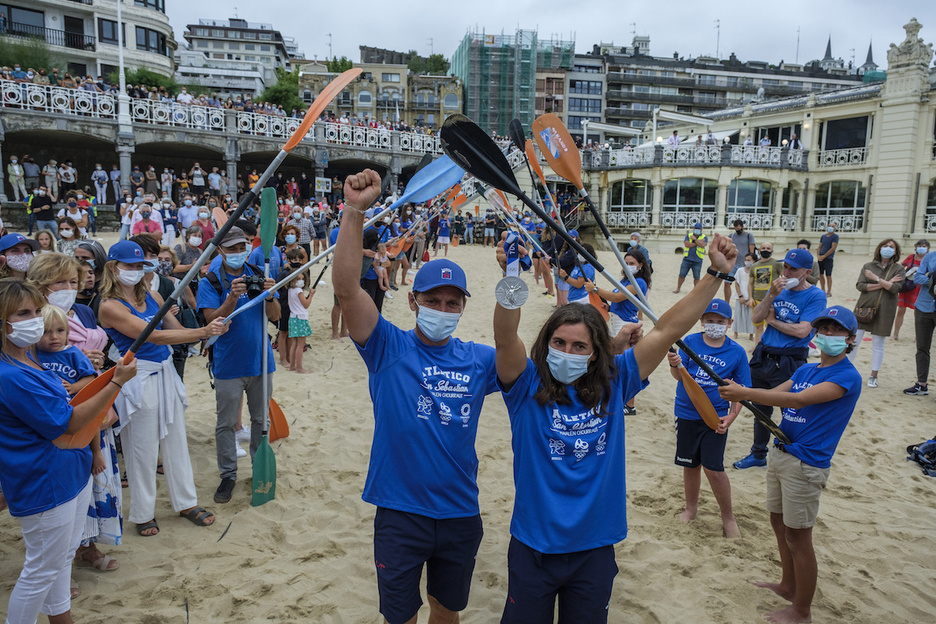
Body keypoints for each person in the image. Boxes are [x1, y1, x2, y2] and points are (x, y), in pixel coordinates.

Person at [492, 231, 739, 623]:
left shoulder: (615, 380)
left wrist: (715, 274)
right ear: (545, 344)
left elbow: (667, 330)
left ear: (596, 354)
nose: (566, 352)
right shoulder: (525, 386)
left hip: (594, 547)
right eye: (558, 343)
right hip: (533, 546)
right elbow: (505, 339)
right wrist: (512, 276)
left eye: (579, 346)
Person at [334, 169, 500, 624]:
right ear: (413, 301)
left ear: (463, 307)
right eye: (433, 300)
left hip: (460, 511)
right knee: (401, 616)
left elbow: (537, 368)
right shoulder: (387, 346)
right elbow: (347, 289)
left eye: (452, 303)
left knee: (447, 612)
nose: (442, 310)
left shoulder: (479, 359)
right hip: (400, 512)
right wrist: (353, 212)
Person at [0, 278, 136, 624]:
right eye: (23, 313)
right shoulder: (11, 375)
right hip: (44, 482)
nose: (34, 319)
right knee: (40, 572)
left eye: (35, 310)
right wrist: (116, 382)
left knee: (59, 560)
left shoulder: (28, 359)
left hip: (70, 473)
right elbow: (70, 421)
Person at [719, 305, 862, 624]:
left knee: (799, 537)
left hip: (806, 464)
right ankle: (787, 586)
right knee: (778, 523)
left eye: (836, 331)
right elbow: (773, 394)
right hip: (781, 453)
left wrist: (742, 392)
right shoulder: (805, 371)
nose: (827, 335)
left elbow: (796, 401)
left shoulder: (846, 376)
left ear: (851, 339)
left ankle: (802, 610)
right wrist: (745, 393)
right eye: (823, 329)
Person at [99, 240, 225, 536]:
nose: (134, 271)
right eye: (128, 266)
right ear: (113, 268)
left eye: (139, 265)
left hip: (166, 370)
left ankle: (186, 502)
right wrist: (203, 331)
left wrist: (209, 331)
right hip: (137, 374)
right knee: (141, 447)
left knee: (176, 438)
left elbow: (176, 331)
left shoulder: (154, 294)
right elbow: (151, 336)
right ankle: (143, 513)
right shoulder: (109, 306)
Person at [197, 226, 280, 505]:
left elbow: (276, 316)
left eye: (241, 246)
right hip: (229, 363)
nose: (237, 252)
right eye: (231, 248)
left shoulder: (259, 272)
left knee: (260, 419)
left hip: (261, 361)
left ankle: (259, 467)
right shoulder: (212, 281)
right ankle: (228, 474)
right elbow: (211, 322)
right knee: (226, 423)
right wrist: (231, 298)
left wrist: (269, 295)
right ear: (219, 250)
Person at [734, 248, 827, 470]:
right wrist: (770, 296)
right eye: (785, 267)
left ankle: (792, 453)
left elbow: (802, 331)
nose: (786, 272)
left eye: (792, 269)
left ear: (806, 272)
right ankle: (758, 454)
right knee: (760, 409)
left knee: (791, 411)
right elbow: (756, 318)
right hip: (764, 355)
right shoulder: (778, 290)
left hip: (789, 360)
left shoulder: (815, 295)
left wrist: (773, 322)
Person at [666, 299, 749, 537]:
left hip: (715, 418)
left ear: (729, 323)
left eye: (720, 322)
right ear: (702, 321)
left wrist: (731, 417)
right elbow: (680, 377)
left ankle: (728, 518)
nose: (714, 325)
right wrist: (675, 365)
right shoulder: (690, 342)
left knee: (713, 468)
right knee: (690, 465)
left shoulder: (736, 352)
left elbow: (741, 391)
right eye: (710, 321)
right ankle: (691, 509)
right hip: (686, 413)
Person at [847, 239, 905, 388]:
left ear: (896, 251)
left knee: (879, 344)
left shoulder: (898, 269)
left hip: (885, 310)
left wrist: (875, 279)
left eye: (891, 247)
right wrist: (884, 283)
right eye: (885, 246)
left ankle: (874, 375)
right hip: (864, 307)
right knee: (853, 341)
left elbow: (895, 288)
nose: (887, 249)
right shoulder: (868, 266)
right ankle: (844, 370)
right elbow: (860, 286)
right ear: (879, 248)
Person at [905, 246, 936, 396]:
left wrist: (929, 276)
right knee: (922, 347)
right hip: (923, 306)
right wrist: (933, 278)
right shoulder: (930, 257)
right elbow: (917, 278)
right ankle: (921, 384)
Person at [893, 239, 930, 341]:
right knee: (900, 310)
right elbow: (901, 266)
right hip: (907, 286)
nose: (921, 248)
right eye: (920, 246)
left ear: (928, 248)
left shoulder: (929, 259)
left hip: (920, 288)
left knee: (917, 312)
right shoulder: (911, 257)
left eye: (924, 246)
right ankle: (895, 334)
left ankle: (917, 336)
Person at [749, 242, 782, 345]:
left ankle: (769, 346)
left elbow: (784, 278)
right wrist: (750, 297)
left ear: (772, 251)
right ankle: (757, 348)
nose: (765, 250)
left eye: (768, 248)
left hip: (772, 300)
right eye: (763, 248)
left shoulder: (777, 263)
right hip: (757, 300)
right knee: (758, 326)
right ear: (759, 250)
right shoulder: (754, 266)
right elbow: (750, 283)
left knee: (771, 326)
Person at [287, 270, 314, 374]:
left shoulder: (290, 290)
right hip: (300, 318)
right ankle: (299, 368)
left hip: (293, 317)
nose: (301, 281)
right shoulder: (298, 291)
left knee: (294, 343)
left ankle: (292, 366)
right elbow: (306, 304)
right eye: (298, 279)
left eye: (302, 279)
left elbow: (290, 303)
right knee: (300, 344)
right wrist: (311, 294)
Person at [674, 222, 707, 293]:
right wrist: (698, 242)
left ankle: (696, 291)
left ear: (701, 230)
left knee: (696, 277)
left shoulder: (704, 237)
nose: (697, 230)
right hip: (687, 259)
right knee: (682, 275)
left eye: (698, 229)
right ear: (693, 229)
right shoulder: (688, 235)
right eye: (696, 228)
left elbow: (703, 245)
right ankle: (678, 288)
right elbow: (687, 245)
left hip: (698, 260)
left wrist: (695, 240)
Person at [729, 219, 756, 301]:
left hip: (744, 263)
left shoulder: (749, 236)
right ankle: (727, 301)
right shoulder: (731, 236)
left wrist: (750, 262)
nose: (738, 231)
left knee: (744, 283)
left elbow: (751, 250)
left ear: (742, 227)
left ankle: (747, 297)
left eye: (739, 229)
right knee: (727, 282)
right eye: (736, 229)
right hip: (733, 263)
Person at [733, 253, 756, 340]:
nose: (747, 262)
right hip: (741, 297)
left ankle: (751, 335)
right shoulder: (740, 270)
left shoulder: (755, 271)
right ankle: (736, 333)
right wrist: (740, 296)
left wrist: (752, 297)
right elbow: (737, 284)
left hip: (751, 298)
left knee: (751, 316)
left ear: (754, 261)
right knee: (738, 315)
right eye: (746, 260)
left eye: (749, 260)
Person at [817, 223, 839, 297]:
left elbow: (833, 248)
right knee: (820, 274)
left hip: (828, 258)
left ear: (835, 228)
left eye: (833, 226)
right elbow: (820, 246)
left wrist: (824, 256)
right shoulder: (823, 236)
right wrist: (818, 255)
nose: (831, 228)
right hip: (821, 258)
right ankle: (823, 289)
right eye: (829, 226)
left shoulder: (835, 237)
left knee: (828, 275)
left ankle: (829, 291)